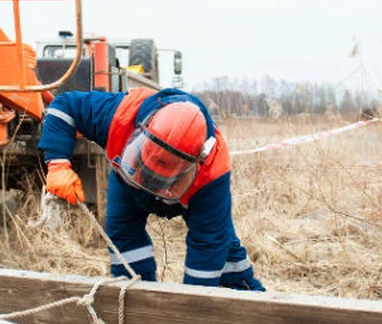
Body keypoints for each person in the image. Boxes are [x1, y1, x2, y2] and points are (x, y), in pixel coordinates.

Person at [38, 87, 264, 291]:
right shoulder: (120, 113)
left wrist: (193, 307)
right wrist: (57, 163)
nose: (152, 184)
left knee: (221, 246)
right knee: (125, 240)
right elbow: (64, 105)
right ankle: (133, 303)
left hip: (192, 195)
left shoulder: (213, 170)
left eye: (161, 178)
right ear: (141, 129)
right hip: (127, 180)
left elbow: (208, 245)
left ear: (196, 163)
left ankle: (249, 299)